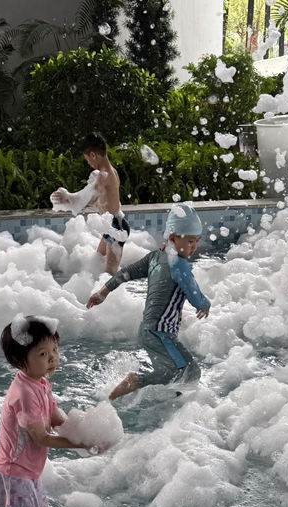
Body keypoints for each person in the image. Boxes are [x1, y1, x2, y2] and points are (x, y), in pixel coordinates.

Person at [86, 203, 211, 400]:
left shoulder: (155, 257)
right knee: (189, 371)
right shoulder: (179, 265)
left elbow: (127, 272)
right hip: (160, 333)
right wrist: (204, 304)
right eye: (189, 241)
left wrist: (104, 291)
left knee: (180, 373)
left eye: (196, 241)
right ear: (172, 238)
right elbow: (194, 295)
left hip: (148, 331)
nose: (194, 247)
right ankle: (136, 381)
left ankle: (172, 403)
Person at [0, 315, 99, 507]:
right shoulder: (24, 393)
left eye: (54, 349)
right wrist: (79, 444)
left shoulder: (41, 383)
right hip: (15, 474)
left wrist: (85, 431)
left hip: (28, 472)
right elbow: (41, 438)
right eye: (43, 354)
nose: (52, 358)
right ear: (19, 361)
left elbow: (55, 418)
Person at [50, 132, 129, 275]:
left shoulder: (104, 175)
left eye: (87, 159)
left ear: (93, 155)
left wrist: (68, 198)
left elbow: (86, 197)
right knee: (98, 262)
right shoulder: (111, 172)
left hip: (116, 228)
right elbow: (98, 199)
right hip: (112, 225)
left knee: (109, 276)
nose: (88, 164)